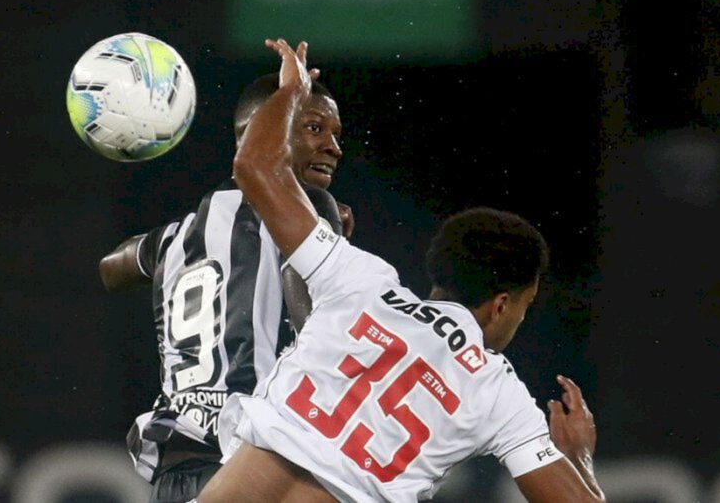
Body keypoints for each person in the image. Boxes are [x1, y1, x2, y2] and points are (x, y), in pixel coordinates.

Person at [198, 39, 606, 502]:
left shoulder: (358, 279)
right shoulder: (496, 391)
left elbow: (255, 166)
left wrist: (293, 90)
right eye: (525, 307)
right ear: (502, 304)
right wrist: (578, 458)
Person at [99, 71, 351, 502]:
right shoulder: (305, 213)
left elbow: (110, 267)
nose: (333, 147)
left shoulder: (174, 237)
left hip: (174, 479)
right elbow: (318, 331)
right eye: (313, 128)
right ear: (260, 133)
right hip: (253, 472)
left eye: (335, 133)